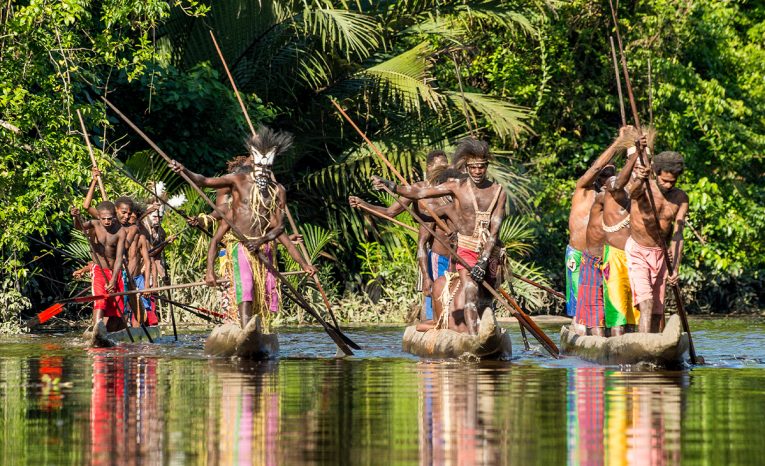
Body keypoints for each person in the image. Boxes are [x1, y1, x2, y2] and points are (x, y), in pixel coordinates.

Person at [169, 126, 317, 329]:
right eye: (259, 163)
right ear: (254, 161)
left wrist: (302, 264)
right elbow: (204, 181)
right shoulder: (238, 180)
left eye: (268, 165)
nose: (264, 170)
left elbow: (279, 228)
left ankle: (258, 331)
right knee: (245, 287)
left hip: (263, 248)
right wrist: (183, 170)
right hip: (241, 247)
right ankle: (246, 329)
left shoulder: (277, 190)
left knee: (264, 294)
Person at [372, 138, 506, 335]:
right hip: (467, 248)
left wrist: (484, 261)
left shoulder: (498, 192)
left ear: (487, 166)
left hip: (488, 250)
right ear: (467, 167)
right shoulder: (456, 186)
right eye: (474, 167)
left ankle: (487, 326)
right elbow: (419, 193)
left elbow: (494, 232)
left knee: (487, 296)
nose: (478, 171)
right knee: (470, 289)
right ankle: (474, 338)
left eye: (482, 167)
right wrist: (392, 186)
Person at [349, 150, 452, 325]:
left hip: (457, 252)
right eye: (438, 168)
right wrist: (363, 204)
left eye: (444, 167)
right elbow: (390, 212)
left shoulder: (452, 188)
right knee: (432, 291)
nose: (441, 172)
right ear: (428, 168)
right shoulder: (417, 189)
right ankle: (430, 322)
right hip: (434, 252)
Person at [567, 126, 632, 327]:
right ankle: (580, 333)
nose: (606, 179)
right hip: (580, 256)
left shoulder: (618, 197)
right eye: (603, 175)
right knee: (581, 309)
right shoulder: (583, 190)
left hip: (607, 257)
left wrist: (635, 151)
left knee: (608, 305)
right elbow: (596, 168)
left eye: (611, 175)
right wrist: (619, 143)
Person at [626, 150, 689, 333]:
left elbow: (678, 234)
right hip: (638, 250)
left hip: (662, 255)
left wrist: (675, 267)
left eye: (673, 181)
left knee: (656, 310)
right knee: (645, 303)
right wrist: (640, 178)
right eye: (664, 181)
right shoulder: (644, 187)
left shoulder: (681, 198)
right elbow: (632, 193)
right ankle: (644, 347)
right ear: (655, 173)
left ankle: (653, 346)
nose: (668, 185)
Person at [602, 129, 652, 335]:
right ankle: (616, 351)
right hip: (615, 256)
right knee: (618, 312)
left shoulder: (649, 188)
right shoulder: (613, 183)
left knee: (639, 309)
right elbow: (622, 185)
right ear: (630, 164)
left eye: (644, 164)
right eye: (636, 164)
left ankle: (643, 344)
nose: (640, 168)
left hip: (639, 256)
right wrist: (634, 155)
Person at [70, 201, 126, 331]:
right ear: (99, 217)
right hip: (99, 270)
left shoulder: (120, 232)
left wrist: (113, 279)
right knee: (100, 300)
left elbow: (119, 258)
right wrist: (75, 217)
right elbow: (79, 227)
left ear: (114, 216)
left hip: (114, 272)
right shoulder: (94, 224)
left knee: (117, 306)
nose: (107, 221)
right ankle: (96, 331)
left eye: (110, 218)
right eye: (104, 219)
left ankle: (109, 334)